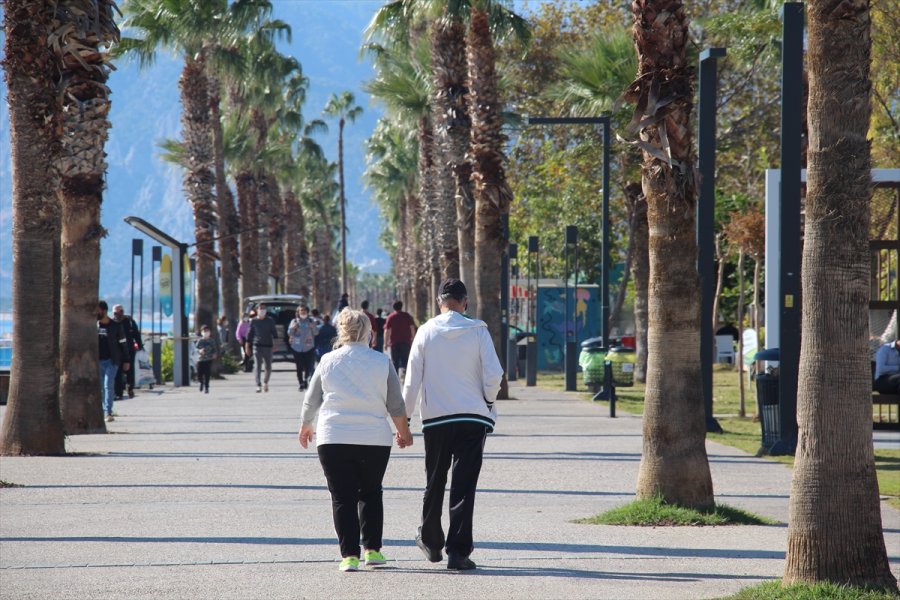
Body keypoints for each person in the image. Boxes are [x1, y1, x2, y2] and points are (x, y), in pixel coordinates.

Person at [298, 309, 414, 572]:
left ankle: (349, 556)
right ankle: (373, 551)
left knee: (341, 497)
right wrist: (404, 434)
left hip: (333, 437)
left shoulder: (327, 360)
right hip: (374, 439)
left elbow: (312, 398)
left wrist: (306, 425)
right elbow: (396, 404)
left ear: (342, 332)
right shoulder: (381, 361)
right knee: (371, 493)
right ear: (369, 333)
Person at [403, 279, 503, 571]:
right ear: (465, 302)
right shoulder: (478, 331)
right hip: (472, 418)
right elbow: (494, 374)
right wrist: (487, 400)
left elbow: (411, 381)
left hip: (436, 419)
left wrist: (405, 421)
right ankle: (458, 552)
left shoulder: (425, 332)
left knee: (435, 481)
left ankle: (431, 541)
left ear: (439, 302)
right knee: (464, 485)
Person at [97, 301, 130, 422]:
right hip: (98, 361)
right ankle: (101, 410)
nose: (95, 313)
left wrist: (126, 360)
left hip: (112, 360)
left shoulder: (115, 326)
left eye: (98, 310)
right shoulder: (94, 326)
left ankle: (108, 412)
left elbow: (123, 344)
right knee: (100, 387)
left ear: (104, 311)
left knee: (108, 385)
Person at [112, 304, 142, 399]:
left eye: (118, 312)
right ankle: (118, 393)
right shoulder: (113, 323)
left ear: (122, 312)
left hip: (129, 350)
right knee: (118, 372)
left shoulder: (129, 321)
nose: (117, 315)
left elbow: (136, 334)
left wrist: (139, 345)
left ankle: (130, 387)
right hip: (117, 351)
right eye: (114, 313)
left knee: (129, 370)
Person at [246, 304, 277, 393]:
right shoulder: (253, 321)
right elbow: (249, 334)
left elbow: (274, 334)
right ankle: (258, 384)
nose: (262, 310)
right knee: (257, 366)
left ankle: (265, 382)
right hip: (257, 346)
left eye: (263, 308)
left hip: (268, 346)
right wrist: (247, 346)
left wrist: (275, 344)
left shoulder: (270, 321)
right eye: (260, 308)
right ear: (257, 310)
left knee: (268, 366)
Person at [384, 300, 417, 381]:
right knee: (406, 360)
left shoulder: (391, 317)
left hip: (394, 343)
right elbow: (412, 327)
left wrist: (385, 343)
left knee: (395, 361)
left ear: (393, 307)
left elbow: (387, 330)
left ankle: (396, 378)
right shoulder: (407, 316)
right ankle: (406, 376)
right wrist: (413, 339)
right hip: (406, 342)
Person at [288, 305, 318, 391]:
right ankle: (301, 383)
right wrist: (293, 328)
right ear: (298, 312)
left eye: (304, 311)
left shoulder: (311, 321)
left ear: (307, 312)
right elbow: (289, 332)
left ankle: (306, 379)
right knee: (299, 367)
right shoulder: (294, 321)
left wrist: (313, 327)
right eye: (301, 311)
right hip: (297, 348)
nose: (303, 312)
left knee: (308, 366)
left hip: (309, 347)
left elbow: (316, 333)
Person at [195, 325, 219, 394]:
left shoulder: (212, 341)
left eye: (207, 331)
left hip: (208, 359)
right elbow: (196, 348)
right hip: (200, 360)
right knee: (199, 374)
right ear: (202, 332)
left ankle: (206, 387)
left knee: (207, 374)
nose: (206, 333)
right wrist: (199, 351)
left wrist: (214, 354)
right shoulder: (200, 341)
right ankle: (201, 382)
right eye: (204, 331)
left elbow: (214, 349)